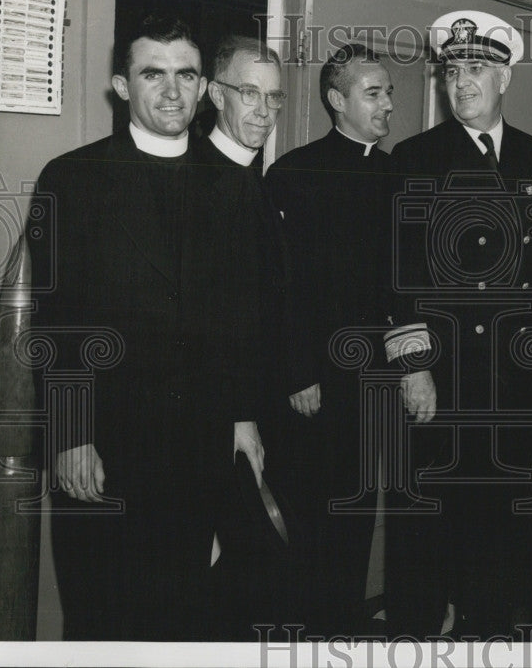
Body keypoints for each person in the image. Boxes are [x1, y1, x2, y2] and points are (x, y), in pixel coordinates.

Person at [29, 13, 266, 641]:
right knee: (104, 619)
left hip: (199, 445)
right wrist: (71, 434)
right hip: (106, 444)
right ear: (121, 85)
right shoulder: (72, 179)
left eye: (185, 74)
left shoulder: (233, 186)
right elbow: (57, 322)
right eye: (152, 74)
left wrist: (242, 418)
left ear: (203, 87)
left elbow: (240, 315)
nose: (171, 91)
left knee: (185, 615)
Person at [382, 10, 532, 638]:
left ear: (505, 77)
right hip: (444, 377)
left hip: (513, 380)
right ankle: (413, 635)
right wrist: (413, 367)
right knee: (425, 528)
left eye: (478, 69)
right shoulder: (414, 158)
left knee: (499, 528)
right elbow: (398, 273)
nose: (463, 82)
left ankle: (485, 635)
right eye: (453, 70)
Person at [265, 43, 400, 635]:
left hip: (377, 385)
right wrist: (298, 372)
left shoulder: (397, 175)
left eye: (389, 92)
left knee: (355, 515)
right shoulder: (293, 174)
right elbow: (281, 289)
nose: (388, 104)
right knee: (308, 521)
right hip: (313, 384)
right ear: (336, 100)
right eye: (374, 93)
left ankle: (341, 632)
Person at [192, 34, 294, 638]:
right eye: (248, 93)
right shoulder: (198, 178)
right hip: (219, 418)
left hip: (259, 409)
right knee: (220, 576)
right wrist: (237, 416)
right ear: (214, 94)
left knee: (249, 572)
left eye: (274, 97)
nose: (263, 110)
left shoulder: (256, 180)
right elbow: (206, 319)